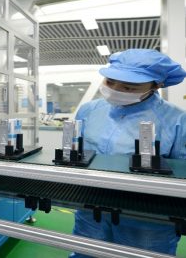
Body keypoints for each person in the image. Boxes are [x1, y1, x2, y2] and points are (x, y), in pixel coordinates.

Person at [71, 49, 186, 257]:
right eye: (110, 81)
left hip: (147, 216)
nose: (115, 90)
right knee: (86, 252)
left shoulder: (176, 120)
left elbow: (182, 173)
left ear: (156, 85)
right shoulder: (89, 110)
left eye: (128, 86)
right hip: (91, 205)